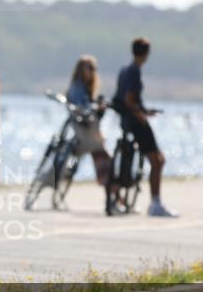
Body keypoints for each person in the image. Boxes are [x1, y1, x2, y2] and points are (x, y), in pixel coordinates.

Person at [113, 37, 177, 217]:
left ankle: (124, 196)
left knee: (154, 160)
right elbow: (129, 99)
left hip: (126, 121)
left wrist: (145, 111)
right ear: (146, 54)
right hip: (136, 122)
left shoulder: (125, 70)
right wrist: (141, 116)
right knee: (158, 160)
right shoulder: (134, 71)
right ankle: (155, 203)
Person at [65, 55, 112, 185]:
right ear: (80, 69)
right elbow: (82, 108)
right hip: (84, 130)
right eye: (89, 68)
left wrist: (99, 107)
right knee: (102, 155)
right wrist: (96, 107)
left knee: (99, 155)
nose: (92, 71)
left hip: (86, 129)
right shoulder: (78, 87)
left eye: (94, 68)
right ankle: (110, 186)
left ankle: (110, 187)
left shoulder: (86, 88)